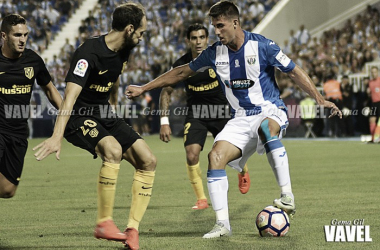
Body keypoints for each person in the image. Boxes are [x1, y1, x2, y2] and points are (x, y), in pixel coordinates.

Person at [125, 1, 342, 238]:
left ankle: (287, 195)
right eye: (213, 26)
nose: (216, 32)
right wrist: (144, 87)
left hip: (269, 109)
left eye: (220, 26)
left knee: (267, 129)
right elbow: (179, 72)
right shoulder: (214, 53)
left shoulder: (263, 46)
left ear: (235, 22)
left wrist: (319, 99)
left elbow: (293, 70)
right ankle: (222, 225)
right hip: (239, 118)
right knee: (215, 156)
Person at [33, 3, 156, 250]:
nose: (142, 38)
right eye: (141, 32)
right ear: (129, 29)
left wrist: (114, 107)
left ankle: (132, 229)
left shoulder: (124, 50)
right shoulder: (88, 53)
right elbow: (69, 98)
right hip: (79, 116)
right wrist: (57, 136)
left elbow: (114, 79)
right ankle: (103, 223)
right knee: (112, 151)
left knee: (148, 160)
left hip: (104, 114)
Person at [159, 23, 251, 210]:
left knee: (230, 155)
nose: (198, 41)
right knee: (192, 154)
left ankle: (243, 169)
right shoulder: (181, 64)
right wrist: (164, 121)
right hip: (196, 114)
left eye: (201, 37)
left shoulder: (219, 57)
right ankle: (201, 199)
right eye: (194, 38)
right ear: (188, 41)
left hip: (221, 112)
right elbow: (166, 91)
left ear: (207, 39)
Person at [0, 14, 62, 198]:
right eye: (17, 35)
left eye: (25, 35)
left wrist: (68, 115)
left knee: (8, 190)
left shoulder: (33, 60)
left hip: (18, 132)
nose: (23, 40)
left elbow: (50, 90)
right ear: (4, 36)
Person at [368, 66, 380, 143]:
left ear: (378, 72)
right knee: (372, 120)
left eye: (375, 72)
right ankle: (373, 138)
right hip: (374, 103)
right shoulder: (370, 82)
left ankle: (378, 138)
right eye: (372, 72)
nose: (373, 73)